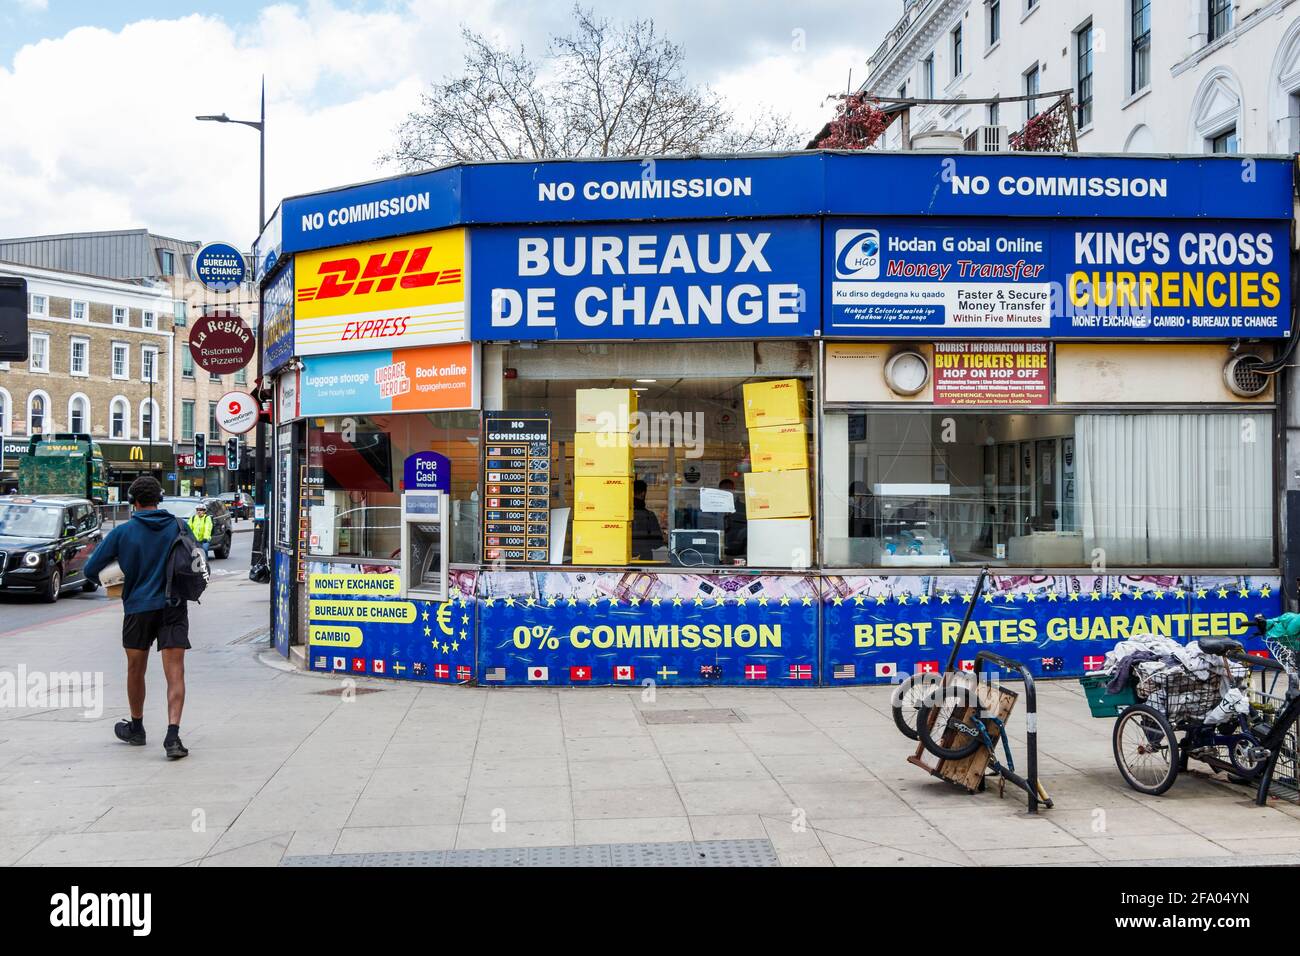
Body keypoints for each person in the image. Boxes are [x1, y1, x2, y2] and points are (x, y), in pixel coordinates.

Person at [83, 475, 191, 760]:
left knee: (135, 669)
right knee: (175, 671)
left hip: (137, 609)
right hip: (173, 606)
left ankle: (137, 727)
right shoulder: (180, 526)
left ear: (133, 502)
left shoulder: (123, 532)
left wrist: (118, 578)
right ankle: (173, 736)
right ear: (160, 499)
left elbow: (90, 570)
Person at [631, 479, 664, 560]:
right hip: (644, 560)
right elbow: (657, 543)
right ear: (643, 493)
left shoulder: (621, 515)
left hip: (624, 560)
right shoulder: (649, 516)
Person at [718, 478, 747, 558]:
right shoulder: (713, 508)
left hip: (739, 549)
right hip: (717, 546)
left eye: (729, 489)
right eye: (724, 490)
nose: (727, 492)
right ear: (719, 491)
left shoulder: (743, 508)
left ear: (734, 490)